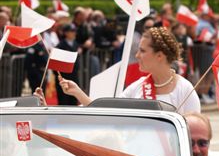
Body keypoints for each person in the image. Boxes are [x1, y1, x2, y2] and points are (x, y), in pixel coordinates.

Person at [36, 27, 201, 113]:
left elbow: (194, 135)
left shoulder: (185, 90)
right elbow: (108, 112)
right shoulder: (137, 87)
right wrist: (78, 93)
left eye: (142, 51)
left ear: (159, 56)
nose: (137, 55)